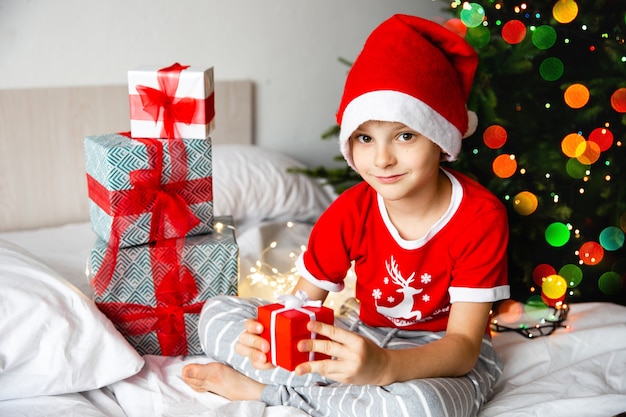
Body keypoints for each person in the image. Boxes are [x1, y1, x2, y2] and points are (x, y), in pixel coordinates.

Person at [182, 14, 510, 417]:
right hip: (358, 336)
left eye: (405, 135)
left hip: (437, 357)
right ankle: (314, 388)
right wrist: (265, 339)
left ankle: (264, 393)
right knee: (216, 315)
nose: (382, 159)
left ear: (441, 139)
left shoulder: (480, 217)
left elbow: (462, 348)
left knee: (424, 408)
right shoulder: (351, 209)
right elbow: (300, 304)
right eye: (365, 138)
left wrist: (385, 367)